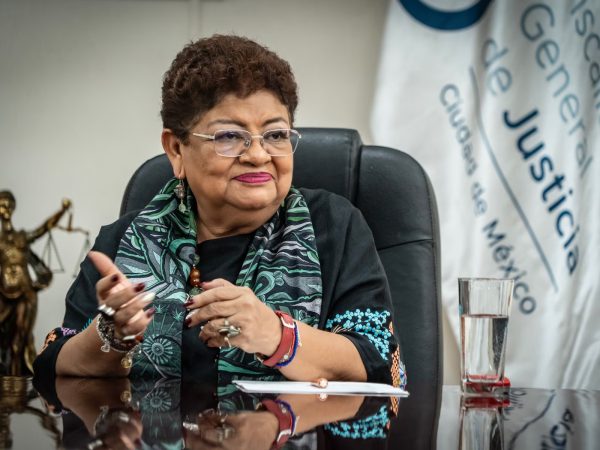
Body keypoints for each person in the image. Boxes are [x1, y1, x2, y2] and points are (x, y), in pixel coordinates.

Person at [34, 35, 406, 390]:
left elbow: (379, 362)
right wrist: (112, 335)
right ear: (176, 149)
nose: (258, 155)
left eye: (275, 135)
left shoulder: (334, 226)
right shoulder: (124, 240)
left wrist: (276, 335)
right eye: (229, 136)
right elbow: (53, 368)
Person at [0, 190, 71, 375]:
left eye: (8, 204)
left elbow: (44, 228)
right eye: (1, 204)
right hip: (3, 292)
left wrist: (62, 211)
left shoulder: (21, 237)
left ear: (13, 207)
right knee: (4, 341)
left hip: (25, 292)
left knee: (19, 342)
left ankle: (17, 383)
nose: (5, 208)